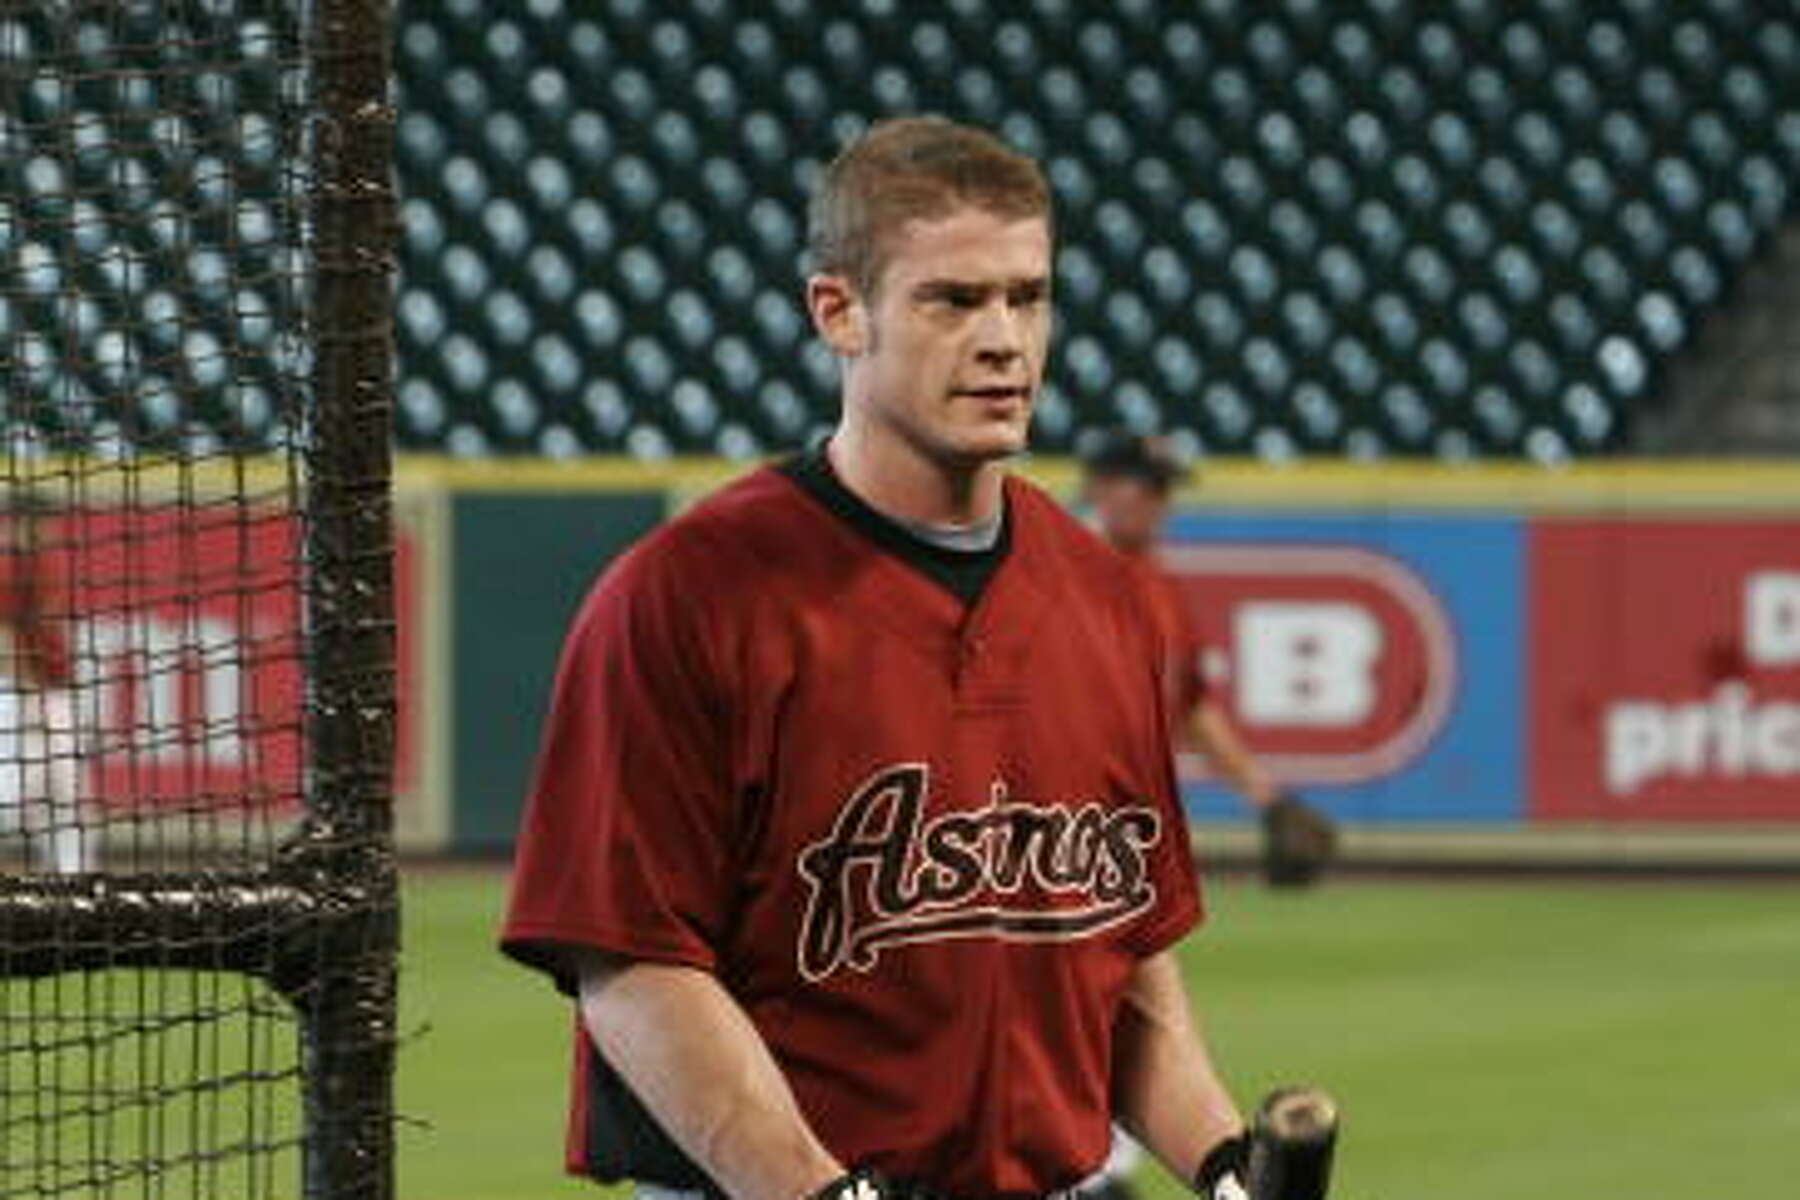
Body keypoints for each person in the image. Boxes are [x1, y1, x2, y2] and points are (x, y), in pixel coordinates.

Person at [500, 117, 1256, 1199]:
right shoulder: (687, 595)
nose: (1004, 339)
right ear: (838, 311)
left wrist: (1225, 1166)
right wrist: (816, 1191)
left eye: (1027, 296)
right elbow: (628, 961)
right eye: (953, 299)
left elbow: (1117, 949)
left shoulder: (1107, 600)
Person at [1080, 432, 1338, 891]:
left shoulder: (1157, 581)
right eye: (1148, 487)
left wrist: (1265, 797)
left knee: (1140, 957)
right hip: (1060, 817)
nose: (1161, 502)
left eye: (1166, 489)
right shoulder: (1054, 572)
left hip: (1132, 816)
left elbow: (1190, 706)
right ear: (1098, 487)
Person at [0, 495, 87, 875]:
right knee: (11, 801)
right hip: (18, 691)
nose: (49, 528)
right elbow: (2, 637)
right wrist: (28, 696)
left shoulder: (44, 560)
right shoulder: (7, 565)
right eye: (41, 520)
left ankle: (74, 882)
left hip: (51, 689)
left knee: (64, 796)